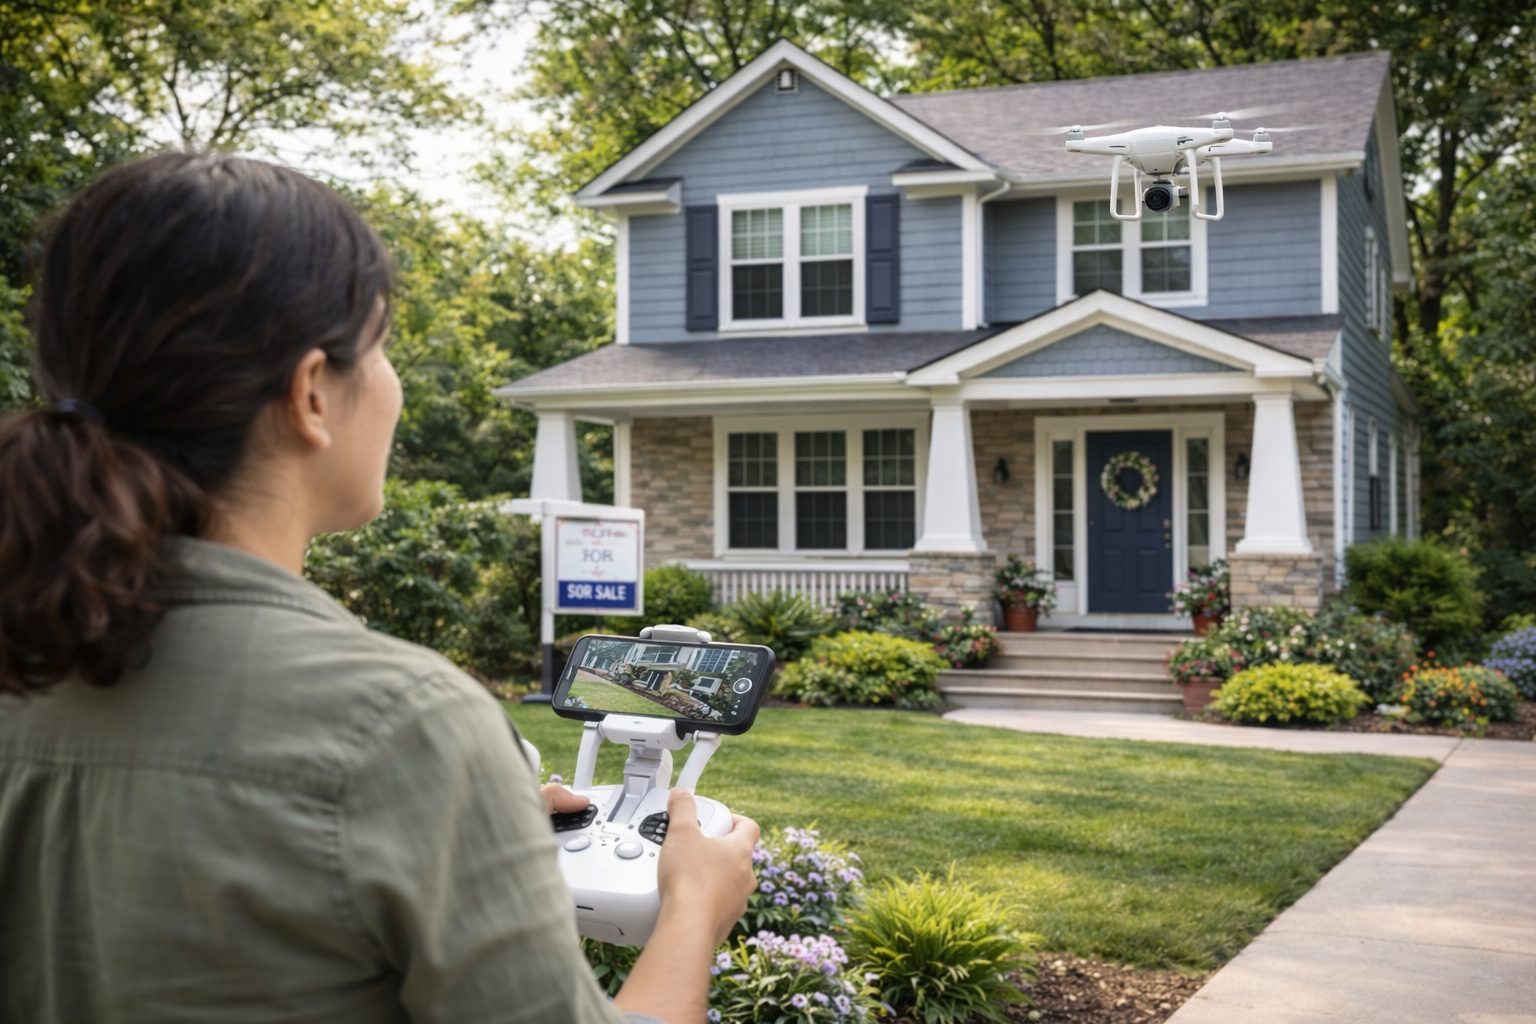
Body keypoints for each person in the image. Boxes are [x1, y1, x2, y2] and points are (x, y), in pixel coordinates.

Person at [0, 151, 759, 1024]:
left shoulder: (25, 664)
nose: (392, 385)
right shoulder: (401, 730)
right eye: (384, 346)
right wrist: (696, 905)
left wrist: (468, 822)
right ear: (313, 394)